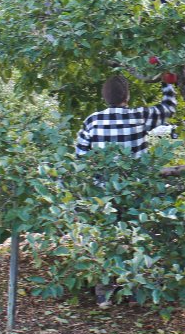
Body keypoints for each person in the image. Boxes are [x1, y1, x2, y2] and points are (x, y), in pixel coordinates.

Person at [75, 75, 177, 306]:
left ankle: (104, 293)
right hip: (136, 191)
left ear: (104, 97)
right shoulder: (139, 116)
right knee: (136, 238)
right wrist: (167, 80)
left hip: (103, 195)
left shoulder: (93, 121)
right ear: (127, 96)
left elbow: (80, 158)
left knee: (104, 240)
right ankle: (134, 291)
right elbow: (169, 108)